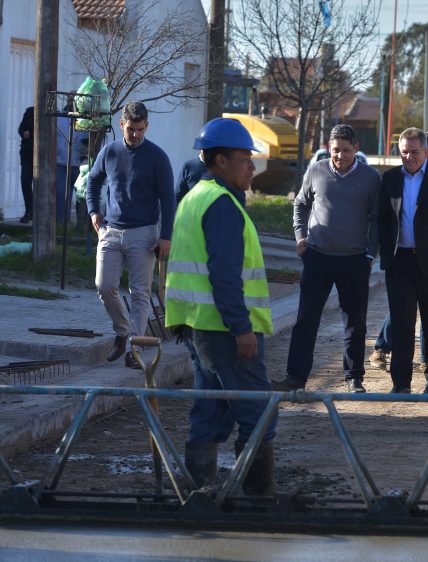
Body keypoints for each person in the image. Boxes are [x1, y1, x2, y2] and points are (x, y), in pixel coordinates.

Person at [165, 117, 276, 494]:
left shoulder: (193, 198)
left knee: (210, 409)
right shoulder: (222, 204)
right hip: (225, 329)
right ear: (220, 161)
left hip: (198, 325)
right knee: (257, 411)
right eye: (245, 157)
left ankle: (199, 491)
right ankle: (257, 497)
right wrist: (242, 328)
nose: (252, 166)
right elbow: (225, 275)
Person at [271, 124, 381, 393]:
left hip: (354, 260)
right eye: (335, 150)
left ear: (356, 148)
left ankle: (354, 377)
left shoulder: (371, 178)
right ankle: (295, 377)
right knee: (306, 319)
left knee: (355, 322)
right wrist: (300, 236)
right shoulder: (316, 170)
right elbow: (301, 203)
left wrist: (369, 254)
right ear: (327, 148)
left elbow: (378, 220)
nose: (340, 156)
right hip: (317, 257)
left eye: (345, 150)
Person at [86, 101, 175, 369]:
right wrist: (93, 211)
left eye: (140, 129)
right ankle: (122, 331)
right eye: (131, 129)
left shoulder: (157, 157)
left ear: (146, 126)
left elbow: (168, 199)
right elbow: (93, 180)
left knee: (140, 293)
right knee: (104, 285)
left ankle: (135, 347)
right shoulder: (110, 152)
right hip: (111, 230)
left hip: (144, 233)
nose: (135, 134)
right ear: (121, 124)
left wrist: (166, 235)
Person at [378, 127, 428, 394]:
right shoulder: (389, 179)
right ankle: (400, 382)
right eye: (404, 152)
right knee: (402, 323)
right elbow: (382, 221)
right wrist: (384, 255)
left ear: (425, 151)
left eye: (414, 152)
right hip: (399, 262)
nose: (409, 157)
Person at [18, 106, 34, 224]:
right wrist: (24, 133)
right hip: (27, 153)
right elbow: (21, 128)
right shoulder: (29, 112)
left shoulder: (49, 114)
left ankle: (36, 211)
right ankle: (29, 210)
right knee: (25, 181)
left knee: (40, 186)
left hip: (43, 155)